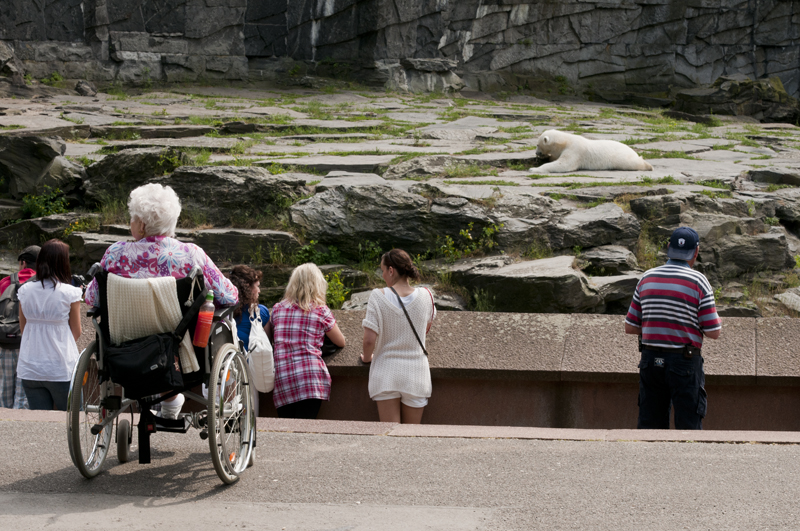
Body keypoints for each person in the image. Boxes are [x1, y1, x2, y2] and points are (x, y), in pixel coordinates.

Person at [84, 183, 238, 419]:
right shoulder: (189, 254)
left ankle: (170, 403)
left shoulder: (114, 254)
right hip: (177, 349)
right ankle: (188, 399)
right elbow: (229, 295)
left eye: (132, 218)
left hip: (124, 347)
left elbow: (91, 298)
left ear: (142, 225)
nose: (130, 223)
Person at [625, 226, 722, 430]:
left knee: (650, 427)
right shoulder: (699, 281)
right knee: (688, 428)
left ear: (669, 247)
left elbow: (631, 327)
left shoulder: (647, 278)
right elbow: (713, 332)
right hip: (684, 363)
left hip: (650, 361)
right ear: (695, 251)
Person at [361, 249, 436, 424]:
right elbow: (425, 328)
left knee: (390, 435)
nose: (382, 275)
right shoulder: (427, 295)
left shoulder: (377, 297)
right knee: (409, 437)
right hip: (416, 374)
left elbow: (369, 340)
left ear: (391, 270)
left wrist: (366, 358)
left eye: (383, 270)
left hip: (386, 373)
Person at [266, 263, 345, 419]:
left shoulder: (277, 309)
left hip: (283, 379)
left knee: (286, 429)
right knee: (305, 427)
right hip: (310, 378)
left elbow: (270, 339)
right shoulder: (321, 310)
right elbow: (341, 341)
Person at [17, 240, 82, 410]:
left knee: (41, 421)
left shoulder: (25, 291)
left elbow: (24, 329)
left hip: (30, 366)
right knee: (71, 419)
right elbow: (77, 331)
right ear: (63, 262)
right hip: (60, 368)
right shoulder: (70, 293)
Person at [0, 245, 38, 409]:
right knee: (22, 398)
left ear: (23, 263)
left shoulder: (5, 282)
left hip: (4, 343)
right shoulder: (43, 284)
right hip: (30, 345)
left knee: (3, 394)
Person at [229, 265, 269, 351]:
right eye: (257, 286)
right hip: (252, 363)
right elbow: (268, 344)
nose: (259, 290)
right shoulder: (261, 312)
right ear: (248, 288)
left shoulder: (225, 311)